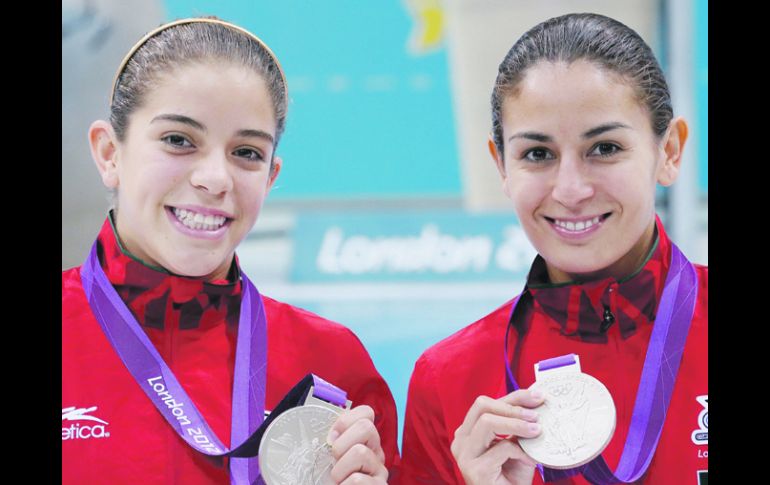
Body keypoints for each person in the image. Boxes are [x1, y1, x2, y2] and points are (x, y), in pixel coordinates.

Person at [62, 17, 399, 484]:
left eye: (247, 153)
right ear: (109, 153)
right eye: (178, 141)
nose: (215, 179)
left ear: (271, 176)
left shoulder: (332, 361)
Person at [400, 13, 707, 484]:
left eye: (604, 148)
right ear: (502, 166)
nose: (570, 190)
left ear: (669, 152)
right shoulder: (449, 379)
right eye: (538, 154)